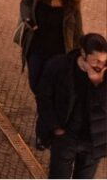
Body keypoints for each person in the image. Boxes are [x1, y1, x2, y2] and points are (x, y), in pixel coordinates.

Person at [36, 32, 107, 178]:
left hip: (93, 140)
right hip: (66, 136)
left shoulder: (104, 74)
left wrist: (98, 83)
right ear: (83, 53)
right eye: (96, 61)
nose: (100, 65)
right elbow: (44, 98)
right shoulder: (59, 66)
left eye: (104, 61)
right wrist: (55, 128)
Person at [17, 0, 84, 95]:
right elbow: (25, 3)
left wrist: (81, 53)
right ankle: (43, 104)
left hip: (59, 53)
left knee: (50, 86)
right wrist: (28, 19)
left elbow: (78, 32)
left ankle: (44, 110)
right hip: (37, 48)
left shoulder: (71, 6)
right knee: (34, 82)